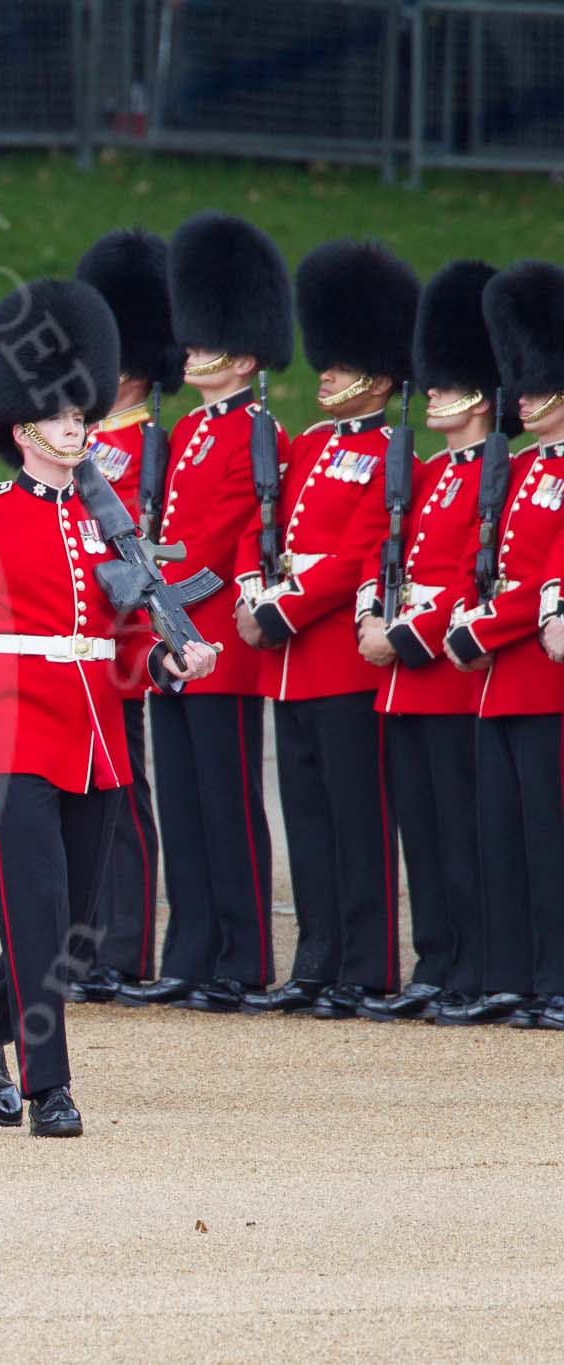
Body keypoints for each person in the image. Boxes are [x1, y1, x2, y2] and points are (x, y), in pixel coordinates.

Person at [0, 279, 216, 1139]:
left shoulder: (108, 526)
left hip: (97, 730)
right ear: (23, 425)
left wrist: (171, 659)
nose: (80, 427)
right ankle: (49, 1087)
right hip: (17, 727)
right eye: (63, 416)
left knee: (78, 924)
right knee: (36, 917)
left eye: (84, 414)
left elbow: (123, 643)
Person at [235, 241, 414, 1020]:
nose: (325, 376)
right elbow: (258, 527)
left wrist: (281, 606)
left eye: (339, 367)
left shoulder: (387, 455)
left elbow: (358, 557)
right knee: (306, 816)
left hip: (341, 661)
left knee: (356, 816)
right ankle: (316, 959)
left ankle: (365, 964)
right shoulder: (307, 445)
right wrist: (252, 586)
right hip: (292, 662)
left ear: (377, 377)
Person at [118, 212, 289, 1013]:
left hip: (218, 639)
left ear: (244, 355)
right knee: (184, 803)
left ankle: (244, 954)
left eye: (207, 340)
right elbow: (165, 521)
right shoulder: (185, 428)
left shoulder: (259, 431)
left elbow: (223, 537)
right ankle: (190, 950)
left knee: (225, 799)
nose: (190, 351)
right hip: (175, 635)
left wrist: (158, 572)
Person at [356, 261, 503, 1023]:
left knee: (460, 831)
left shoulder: (491, 476)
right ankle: (436, 959)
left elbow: (473, 577)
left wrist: (407, 633)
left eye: (445, 385)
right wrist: (373, 620)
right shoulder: (438, 473)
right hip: (405, 678)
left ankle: (474, 966)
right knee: (422, 828)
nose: (433, 393)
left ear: (480, 394)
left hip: (447, 674)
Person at [437, 261, 564, 1028]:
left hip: (543, 678)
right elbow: (476, 555)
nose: (519, 393)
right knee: (502, 833)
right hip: (495, 678)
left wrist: (477, 627)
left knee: (549, 836)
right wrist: (462, 615)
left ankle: (556, 974)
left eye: (534, 378)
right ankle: (513, 973)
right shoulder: (516, 469)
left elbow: (549, 576)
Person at [68, 226, 184, 1002]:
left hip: (124, 635)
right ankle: (85, 940)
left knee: (123, 789)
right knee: (80, 788)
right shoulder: (79, 442)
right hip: (73, 632)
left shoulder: (148, 443)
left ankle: (127, 944)